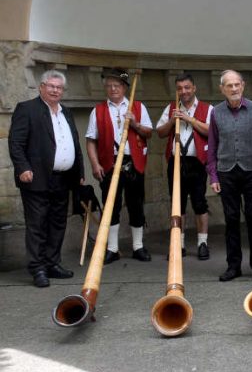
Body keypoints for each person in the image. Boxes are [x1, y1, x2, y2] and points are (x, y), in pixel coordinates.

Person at [9, 70, 84, 287]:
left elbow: (74, 144)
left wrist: (79, 173)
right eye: (51, 86)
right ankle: (38, 268)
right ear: (41, 87)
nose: (55, 90)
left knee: (58, 223)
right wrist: (23, 167)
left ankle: (52, 263)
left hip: (63, 178)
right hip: (36, 177)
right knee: (37, 224)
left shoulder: (66, 112)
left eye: (59, 87)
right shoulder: (27, 109)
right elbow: (16, 143)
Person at [208, 70, 252, 282]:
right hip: (227, 172)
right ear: (222, 89)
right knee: (231, 219)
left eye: (237, 85)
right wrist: (214, 176)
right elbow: (212, 146)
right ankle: (233, 265)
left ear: (243, 85)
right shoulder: (216, 112)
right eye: (229, 86)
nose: (234, 89)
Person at [85, 68, 153, 264]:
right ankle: (112, 249)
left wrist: (135, 124)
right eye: (109, 85)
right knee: (110, 207)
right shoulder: (97, 111)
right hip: (109, 163)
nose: (113, 89)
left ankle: (138, 247)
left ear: (124, 88)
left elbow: (149, 133)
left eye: (117, 85)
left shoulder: (138, 107)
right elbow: (91, 141)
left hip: (133, 163)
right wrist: (95, 164)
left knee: (136, 204)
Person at [156, 73, 212, 260]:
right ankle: (178, 243)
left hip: (197, 163)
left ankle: (202, 243)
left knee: (199, 202)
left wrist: (189, 119)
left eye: (187, 87)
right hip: (176, 162)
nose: (184, 91)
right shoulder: (171, 107)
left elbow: (212, 132)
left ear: (194, 88)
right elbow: (160, 133)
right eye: (180, 88)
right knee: (177, 204)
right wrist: (173, 120)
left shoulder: (207, 108)